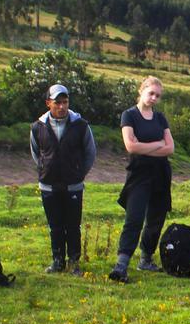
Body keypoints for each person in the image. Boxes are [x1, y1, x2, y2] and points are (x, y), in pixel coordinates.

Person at [109, 76, 174, 283]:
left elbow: (170, 149)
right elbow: (131, 147)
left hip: (161, 174)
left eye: (157, 95)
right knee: (134, 218)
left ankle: (146, 258)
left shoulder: (160, 118)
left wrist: (146, 146)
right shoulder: (129, 116)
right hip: (138, 175)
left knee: (156, 218)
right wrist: (158, 144)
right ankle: (122, 264)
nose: (154, 98)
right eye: (151, 93)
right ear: (142, 91)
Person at [31, 83, 96, 276]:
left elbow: (90, 153)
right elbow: (36, 153)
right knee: (55, 226)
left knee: (73, 225)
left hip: (73, 185)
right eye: (57, 102)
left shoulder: (81, 125)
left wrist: (78, 174)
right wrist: (46, 170)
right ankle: (57, 260)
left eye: (65, 102)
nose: (62, 107)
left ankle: (74, 262)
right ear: (48, 103)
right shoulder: (37, 127)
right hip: (48, 185)